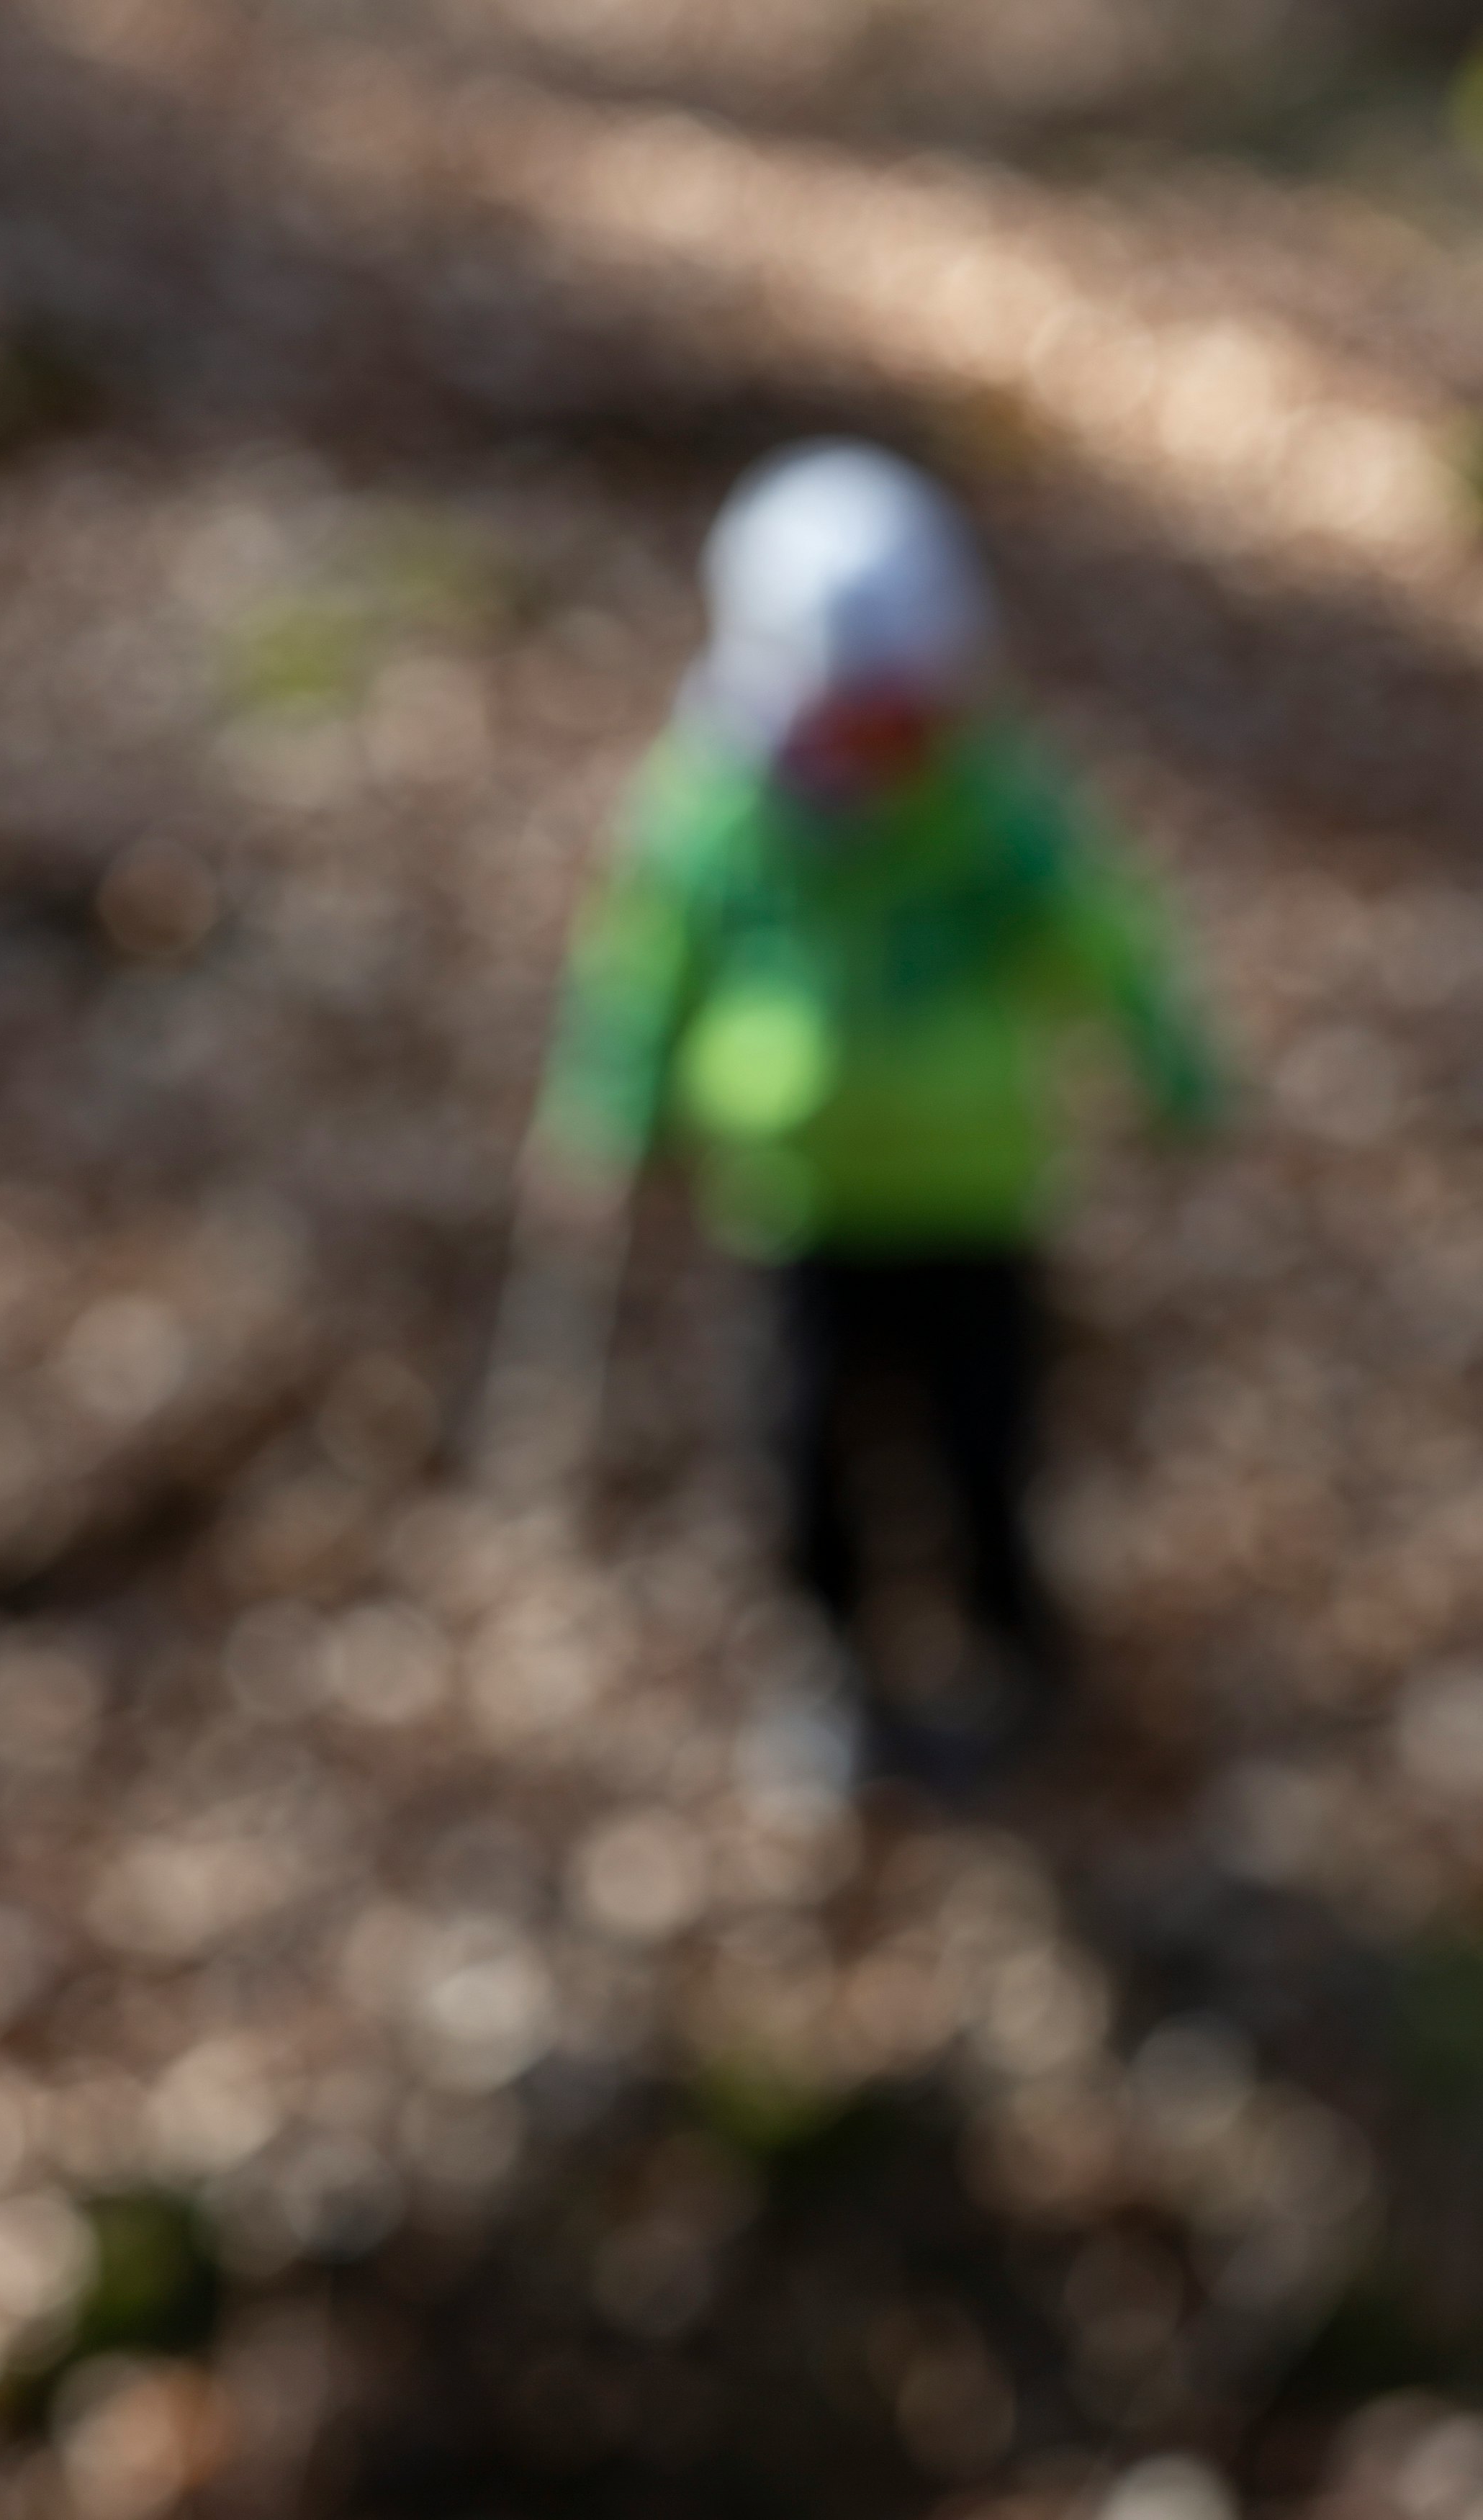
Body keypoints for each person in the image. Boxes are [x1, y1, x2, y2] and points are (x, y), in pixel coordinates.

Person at [523, 441, 1222, 1782]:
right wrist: (614, 1097)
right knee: (806, 1459)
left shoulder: (986, 807)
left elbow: (1097, 934)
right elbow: (645, 960)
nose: (878, 740)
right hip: (803, 1207)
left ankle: (1012, 1665)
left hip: (977, 1196)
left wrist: (1165, 1056)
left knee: (984, 1453)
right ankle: (841, 1673)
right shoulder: (719, 812)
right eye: (855, 711)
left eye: (900, 710)